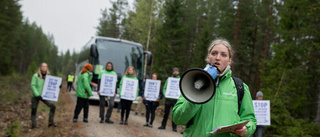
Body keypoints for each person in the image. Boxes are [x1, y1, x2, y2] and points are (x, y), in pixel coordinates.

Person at [172, 38, 257, 137]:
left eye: (223, 55)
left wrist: (246, 130)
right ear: (208, 57)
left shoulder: (240, 87)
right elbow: (178, 119)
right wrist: (195, 96)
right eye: (214, 53)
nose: (218, 58)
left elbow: (251, 120)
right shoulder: (192, 83)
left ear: (229, 60)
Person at [30, 62, 57, 129]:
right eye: (43, 66)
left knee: (53, 106)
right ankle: (33, 126)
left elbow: (53, 85)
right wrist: (37, 94)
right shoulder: (35, 76)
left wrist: (58, 86)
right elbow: (33, 86)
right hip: (36, 96)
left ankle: (50, 122)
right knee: (34, 110)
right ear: (40, 67)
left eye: (45, 66)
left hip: (45, 96)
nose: (44, 67)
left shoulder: (48, 76)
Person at [158, 67, 180, 132]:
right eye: (174, 71)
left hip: (176, 100)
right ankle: (163, 125)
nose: (175, 72)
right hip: (168, 99)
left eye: (176, 71)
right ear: (172, 72)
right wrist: (165, 94)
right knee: (166, 113)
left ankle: (174, 127)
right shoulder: (169, 79)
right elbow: (164, 88)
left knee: (175, 114)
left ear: (178, 72)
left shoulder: (180, 79)